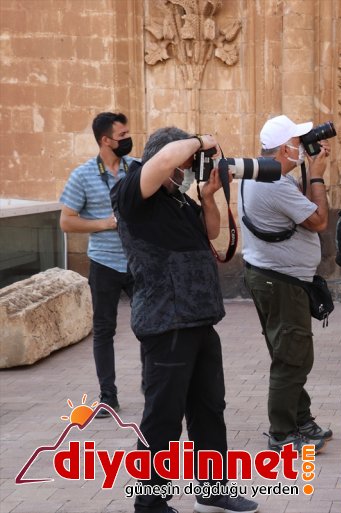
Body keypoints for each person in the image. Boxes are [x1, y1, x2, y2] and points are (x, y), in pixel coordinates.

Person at [111, 128, 258, 513]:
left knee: (210, 408)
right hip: (165, 323)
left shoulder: (177, 200)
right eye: (183, 166)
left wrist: (208, 196)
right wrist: (199, 141)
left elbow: (211, 230)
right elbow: (159, 162)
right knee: (163, 417)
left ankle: (212, 490)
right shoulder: (131, 194)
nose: (185, 172)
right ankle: (150, 502)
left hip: (200, 320)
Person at [239, 114, 332, 453]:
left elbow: (303, 210)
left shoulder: (258, 173)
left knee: (286, 351)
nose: (301, 148)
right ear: (283, 149)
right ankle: (281, 432)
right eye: (297, 143)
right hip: (281, 282)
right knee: (292, 357)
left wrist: (309, 171)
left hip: (270, 277)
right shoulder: (275, 184)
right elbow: (318, 220)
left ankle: (300, 417)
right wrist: (318, 176)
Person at [59, 112, 136, 418]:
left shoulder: (138, 168)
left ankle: (154, 385)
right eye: (122, 135)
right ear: (105, 141)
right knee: (104, 330)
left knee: (152, 327)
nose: (128, 140)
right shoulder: (82, 175)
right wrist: (104, 223)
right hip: (104, 263)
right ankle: (108, 396)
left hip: (137, 261)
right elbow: (66, 221)